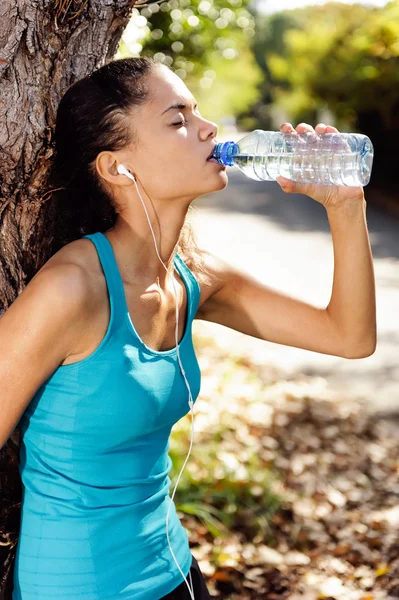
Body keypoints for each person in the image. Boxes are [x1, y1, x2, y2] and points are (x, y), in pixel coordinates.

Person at [0, 56, 376, 600]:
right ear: (114, 167)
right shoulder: (71, 290)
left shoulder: (195, 278)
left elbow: (349, 337)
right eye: (177, 121)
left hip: (174, 570)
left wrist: (346, 206)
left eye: (197, 112)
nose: (208, 129)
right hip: (78, 584)